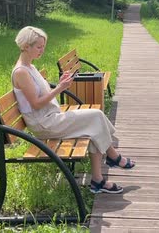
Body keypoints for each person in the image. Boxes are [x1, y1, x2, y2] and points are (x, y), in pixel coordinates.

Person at [11, 26, 135, 194]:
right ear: (26, 46)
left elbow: (42, 94)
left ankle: (98, 180)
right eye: (38, 47)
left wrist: (60, 82)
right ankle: (113, 157)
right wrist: (59, 88)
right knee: (96, 116)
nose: (42, 50)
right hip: (44, 124)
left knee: (93, 127)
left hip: (51, 117)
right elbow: (36, 104)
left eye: (43, 46)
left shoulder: (30, 67)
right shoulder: (21, 72)